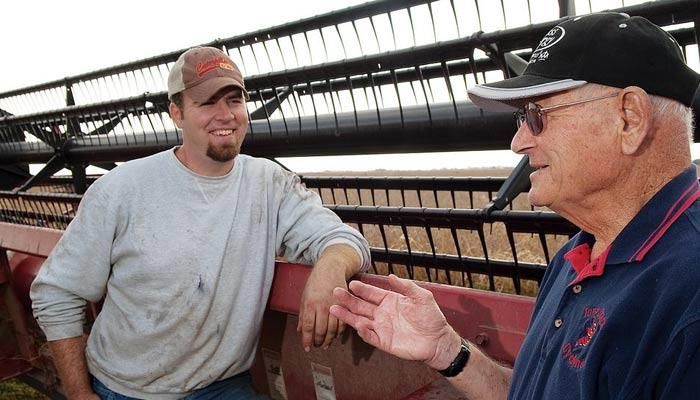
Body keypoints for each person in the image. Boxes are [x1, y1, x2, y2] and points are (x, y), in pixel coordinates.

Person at [330, 12, 700, 400]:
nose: (518, 142)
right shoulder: (578, 255)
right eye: (522, 118)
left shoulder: (687, 301)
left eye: (537, 116)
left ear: (629, 118)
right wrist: (448, 351)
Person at [30, 46, 371, 400]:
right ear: (176, 113)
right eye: (207, 103)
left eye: (234, 100)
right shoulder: (120, 190)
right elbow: (57, 291)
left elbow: (340, 238)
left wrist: (330, 269)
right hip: (128, 390)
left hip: (223, 386)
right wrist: (78, 393)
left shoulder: (270, 184)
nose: (225, 115)